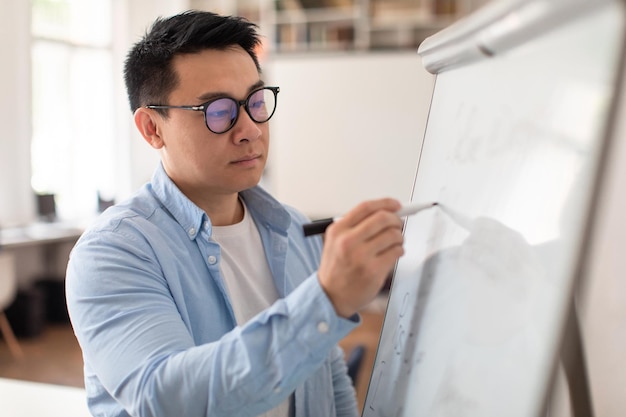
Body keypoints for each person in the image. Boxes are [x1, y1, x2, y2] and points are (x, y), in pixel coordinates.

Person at [65, 10, 405, 417]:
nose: (251, 129)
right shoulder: (111, 253)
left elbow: (326, 375)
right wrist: (326, 301)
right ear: (152, 128)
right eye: (219, 111)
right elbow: (167, 399)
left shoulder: (293, 229)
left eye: (256, 101)